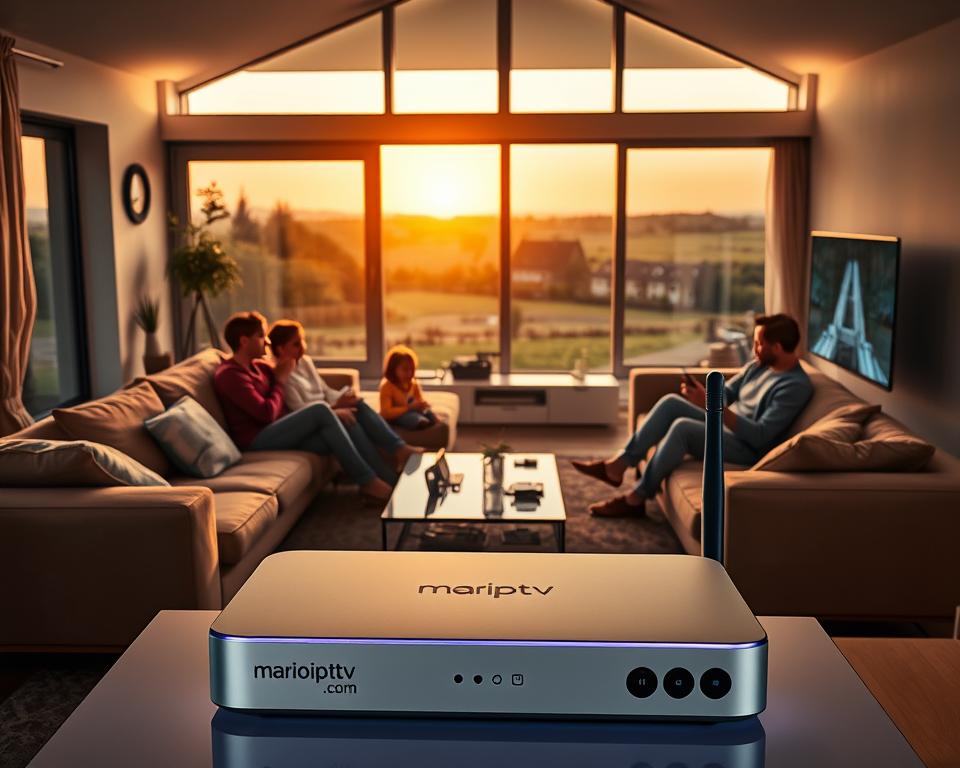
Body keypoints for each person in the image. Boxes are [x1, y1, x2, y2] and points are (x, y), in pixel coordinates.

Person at [574, 314, 814, 518]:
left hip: (746, 446)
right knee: (671, 403)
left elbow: (760, 435)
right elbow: (728, 392)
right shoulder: (759, 365)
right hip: (726, 427)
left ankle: (636, 499)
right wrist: (703, 396)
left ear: (779, 347)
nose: (755, 350)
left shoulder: (795, 386)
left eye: (759, 344)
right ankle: (617, 466)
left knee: (683, 428)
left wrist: (713, 408)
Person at [213, 312, 418, 503]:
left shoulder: (259, 366)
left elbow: (286, 378)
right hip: (256, 438)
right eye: (261, 336)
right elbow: (266, 414)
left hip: (281, 430)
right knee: (320, 409)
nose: (267, 341)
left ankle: (389, 480)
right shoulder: (230, 375)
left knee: (347, 420)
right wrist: (281, 381)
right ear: (243, 340)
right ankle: (367, 481)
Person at [267, 318, 423, 472]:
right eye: (296, 344)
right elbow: (299, 411)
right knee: (349, 421)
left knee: (357, 404)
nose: (303, 347)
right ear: (280, 349)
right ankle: (387, 474)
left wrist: (344, 396)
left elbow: (325, 391)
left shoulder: (305, 362)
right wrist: (336, 407)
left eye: (303, 341)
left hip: (327, 411)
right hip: (313, 423)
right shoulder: (281, 375)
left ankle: (399, 450)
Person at [379, 344, 438, 430]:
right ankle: (421, 423)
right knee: (412, 418)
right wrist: (407, 408)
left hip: (413, 410)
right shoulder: (387, 387)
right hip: (397, 416)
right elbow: (385, 413)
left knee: (429, 414)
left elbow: (419, 400)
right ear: (393, 369)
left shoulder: (414, 384)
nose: (409, 373)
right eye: (405, 369)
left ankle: (429, 421)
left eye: (412, 369)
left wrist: (422, 404)